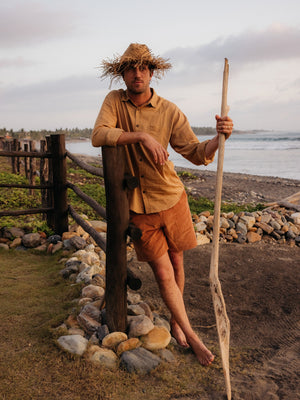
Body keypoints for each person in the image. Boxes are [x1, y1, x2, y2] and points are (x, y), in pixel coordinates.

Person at [92, 43, 233, 366]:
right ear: (122, 73)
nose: (137, 74)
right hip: (139, 207)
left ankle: (175, 322)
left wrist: (219, 137)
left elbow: (197, 152)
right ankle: (193, 337)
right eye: (131, 68)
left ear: (152, 73)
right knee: (163, 272)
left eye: (143, 68)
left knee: (179, 265)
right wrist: (142, 137)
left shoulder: (169, 110)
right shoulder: (115, 101)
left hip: (172, 197)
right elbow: (99, 134)